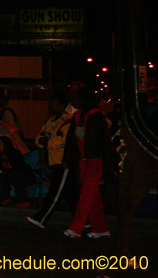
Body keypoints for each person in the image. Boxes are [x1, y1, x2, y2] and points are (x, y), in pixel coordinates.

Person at [63, 88, 113, 239]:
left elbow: (105, 142)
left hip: (95, 160)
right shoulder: (78, 116)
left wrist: (107, 164)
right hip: (83, 160)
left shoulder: (97, 117)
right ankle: (101, 228)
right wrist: (67, 157)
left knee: (86, 193)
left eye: (77, 99)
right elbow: (71, 140)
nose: (74, 101)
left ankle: (76, 227)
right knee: (93, 195)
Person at [27, 93, 73, 228]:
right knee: (71, 194)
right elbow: (39, 139)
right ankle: (86, 221)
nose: (49, 106)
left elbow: (64, 141)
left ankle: (42, 218)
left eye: (52, 103)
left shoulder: (68, 121)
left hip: (63, 162)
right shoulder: (50, 121)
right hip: (53, 162)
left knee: (55, 192)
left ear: (61, 106)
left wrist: (49, 142)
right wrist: (47, 142)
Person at [0, 136, 35, 207]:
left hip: (23, 176)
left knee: (14, 175)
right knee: (5, 174)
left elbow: (20, 168)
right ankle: (5, 199)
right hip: (8, 176)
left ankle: (23, 200)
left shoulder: (15, 154)